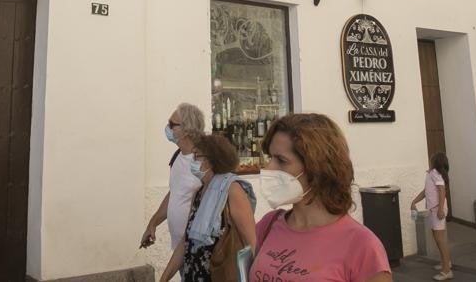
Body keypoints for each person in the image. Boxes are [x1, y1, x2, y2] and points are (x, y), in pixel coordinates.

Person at [249, 113, 392, 282]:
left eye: (281, 160)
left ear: (317, 168)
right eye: (270, 158)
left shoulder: (363, 246)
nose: (269, 168)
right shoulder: (269, 224)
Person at [159, 134, 257, 282]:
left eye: (197, 156)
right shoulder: (198, 192)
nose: (193, 161)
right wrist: (164, 277)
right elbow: (186, 240)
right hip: (193, 274)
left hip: (218, 275)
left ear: (211, 160)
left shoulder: (232, 190)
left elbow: (251, 242)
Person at [143, 103, 206, 251]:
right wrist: (153, 223)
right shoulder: (177, 157)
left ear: (186, 130)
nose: (167, 128)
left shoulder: (203, 162)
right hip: (178, 245)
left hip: (198, 248)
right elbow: (175, 193)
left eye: (172, 124)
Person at [410, 152, 453, 280]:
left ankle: (446, 271)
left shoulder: (434, 173)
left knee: (440, 238)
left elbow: (442, 191)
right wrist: (414, 201)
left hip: (437, 210)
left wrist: (440, 209)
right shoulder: (432, 173)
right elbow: (426, 191)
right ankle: (446, 263)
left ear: (435, 162)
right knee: (438, 237)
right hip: (435, 209)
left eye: (431, 159)